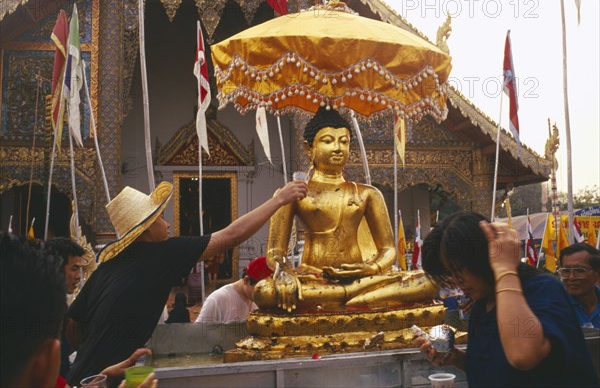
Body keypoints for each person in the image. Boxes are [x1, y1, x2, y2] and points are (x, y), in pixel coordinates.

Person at [65, 179, 307, 385]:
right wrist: (279, 200)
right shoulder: (161, 254)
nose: (167, 223)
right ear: (146, 230)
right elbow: (230, 236)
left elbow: (74, 325)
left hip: (81, 377)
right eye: (160, 218)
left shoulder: (106, 268)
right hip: (113, 381)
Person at [254, 107, 437, 312]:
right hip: (315, 279)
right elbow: (275, 251)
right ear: (308, 148)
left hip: (361, 279)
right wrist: (284, 272)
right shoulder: (294, 193)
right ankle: (357, 301)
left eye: (344, 141)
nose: (337, 148)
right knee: (265, 292)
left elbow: (388, 249)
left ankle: (349, 299)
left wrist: (371, 268)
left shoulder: (368, 193)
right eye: (328, 141)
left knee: (427, 281)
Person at [415, 211, 599, 387]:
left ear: (483, 255)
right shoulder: (483, 304)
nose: (457, 280)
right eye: (450, 272)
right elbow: (500, 371)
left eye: (460, 268)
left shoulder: (542, 289)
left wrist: (504, 269)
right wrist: (455, 358)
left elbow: (523, 355)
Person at [0, 232, 156, 388]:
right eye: (74, 269)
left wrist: (102, 377)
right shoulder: (43, 326)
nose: (78, 277)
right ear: (46, 360)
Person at [44, 237, 85, 379]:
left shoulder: (57, 305)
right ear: (58, 267)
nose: (78, 277)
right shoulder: (43, 309)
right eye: (74, 269)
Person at [195, 256, 273, 323]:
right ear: (246, 280)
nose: (263, 297)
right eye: (259, 291)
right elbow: (198, 334)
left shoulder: (262, 302)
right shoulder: (218, 299)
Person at [559, 243, 600, 328]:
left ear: (597, 274)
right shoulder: (553, 308)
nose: (571, 278)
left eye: (580, 271)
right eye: (566, 271)